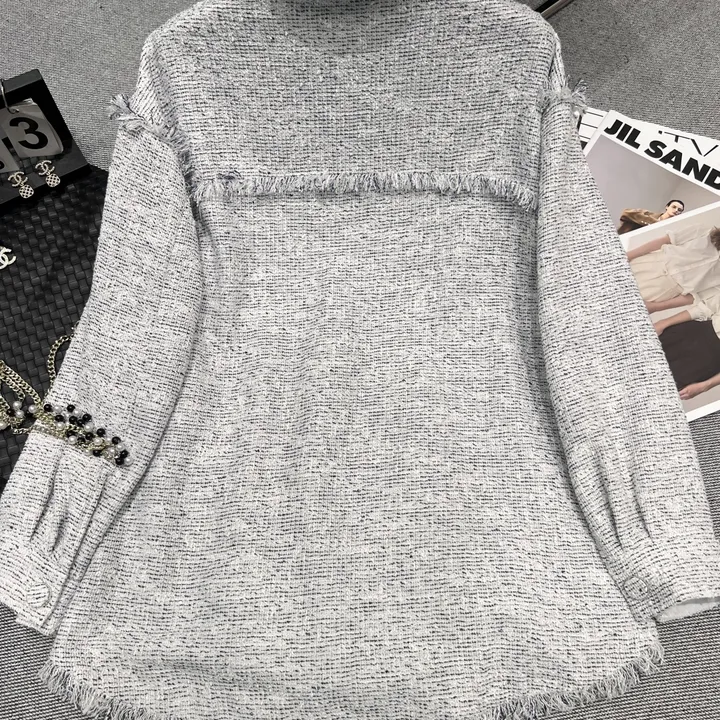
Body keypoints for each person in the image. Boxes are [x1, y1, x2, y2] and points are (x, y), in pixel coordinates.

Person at [625, 223, 720, 314]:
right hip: (645, 265)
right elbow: (664, 241)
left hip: (659, 291)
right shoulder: (705, 231)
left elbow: (695, 297)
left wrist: (655, 307)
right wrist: (626, 256)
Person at [654, 284, 720, 399]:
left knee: (649, 391)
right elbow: (706, 308)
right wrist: (663, 323)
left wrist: (705, 386)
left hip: (704, 363)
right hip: (687, 334)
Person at [617, 199, 684, 235]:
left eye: (679, 210)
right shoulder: (647, 214)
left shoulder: (671, 230)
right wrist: (655, 223)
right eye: (674, 207)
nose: (676, 210)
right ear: (667, 207)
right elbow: (627, 213)